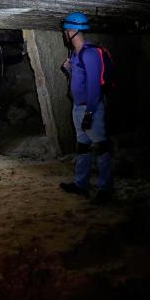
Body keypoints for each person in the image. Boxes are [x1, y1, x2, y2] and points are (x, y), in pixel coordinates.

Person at [58, 12, 113, 205]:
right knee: (82, 146)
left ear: (73, 31)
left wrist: (89, 112)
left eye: (66, 30)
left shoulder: (89, 53)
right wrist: (68, 69)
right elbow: (79, 78)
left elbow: (94, 87)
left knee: (102, 146)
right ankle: (81, 184)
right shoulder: (76, 53)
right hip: (78, 107)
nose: (65, 34)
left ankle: (106, 189)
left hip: (91, 108)